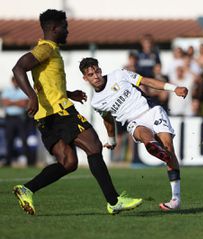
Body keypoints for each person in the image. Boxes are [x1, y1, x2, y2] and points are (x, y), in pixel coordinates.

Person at [11, 9, 142, 215]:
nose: (68, 31)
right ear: (54, 28)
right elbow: (18, 68)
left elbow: (47, 82)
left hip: (46, 117)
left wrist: (69, 93)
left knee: (69, 162)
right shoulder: (46, 49)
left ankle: (27, 189)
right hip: (60, 113)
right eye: (65, 27)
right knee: (93, 145)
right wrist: (32, 97)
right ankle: (114, 201)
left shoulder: (49, 50)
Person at [79, 57, 188, 211]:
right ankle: (153, 146)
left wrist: (173, 88)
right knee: (144, 134)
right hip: (133, 122)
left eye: (97, 71)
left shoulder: (119, 74)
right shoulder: (96, 102)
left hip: (151, 110)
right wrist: (112, 140)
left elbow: (146, 81)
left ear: (100, 70)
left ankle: (175, 199)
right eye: (91, 74)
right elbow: (108, 121)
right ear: (85, 78)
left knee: (169, 147)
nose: (96, 76)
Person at [1, 76, 30, 167]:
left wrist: (11, 102)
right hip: (9, 118)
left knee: (23, 139)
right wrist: (18, 102)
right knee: (9, 139)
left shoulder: (23, 90)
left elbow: (25, 103)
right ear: (12, 81)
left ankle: (27, 160)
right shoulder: (7, 90)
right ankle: (8, 160)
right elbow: (4, 102)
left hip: (20, 118)